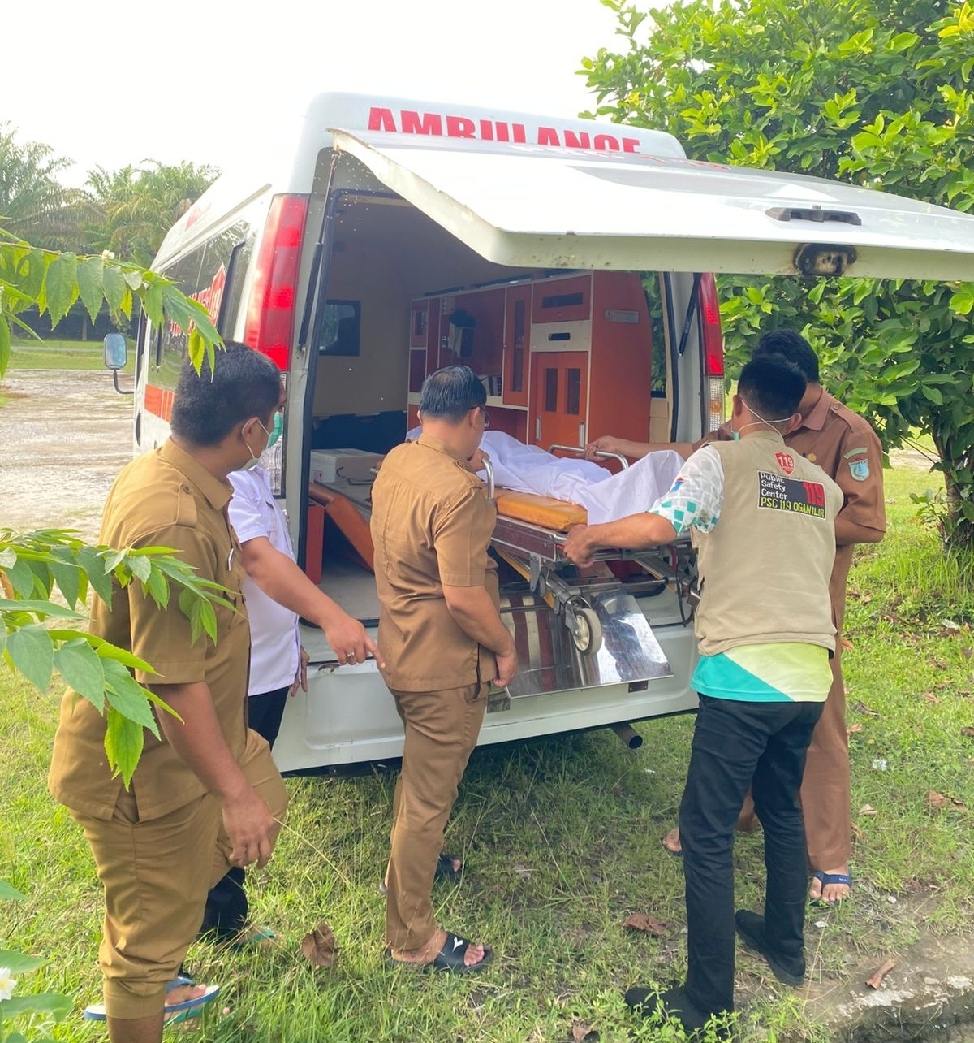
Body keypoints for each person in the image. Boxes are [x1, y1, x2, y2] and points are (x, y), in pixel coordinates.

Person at [566, 354, 842, 1035]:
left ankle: (707, 999)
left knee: (708, 832)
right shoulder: (820, 485)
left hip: (745, 672)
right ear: (795, 411)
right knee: (781, 809)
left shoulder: (720, 463)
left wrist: (591, 534)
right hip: (810, 672)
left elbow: (663, 526)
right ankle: (784, 944)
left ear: (740, 406)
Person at [587, 329, 886, 903]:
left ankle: (830, 856)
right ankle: (731, 819)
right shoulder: (750, 437)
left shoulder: (848, 436)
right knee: (748, 718)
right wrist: (626, 444)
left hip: (807, 600)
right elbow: (701, 454)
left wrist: (783, 518)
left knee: (819, 725)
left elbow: (869, 523)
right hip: (745, 596)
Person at [48, 344, 289, 1043]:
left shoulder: (172, 476)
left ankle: (170, 909)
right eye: (268, 425)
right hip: (146, 771)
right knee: (140, 952)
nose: (268, 437)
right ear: (248, 431)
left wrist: (245, 788)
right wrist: (234, 795)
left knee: (265, 791)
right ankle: (155, 961)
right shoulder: (176, 519)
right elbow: (172, 683)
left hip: (192, 754)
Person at [200, 363, 380, 943]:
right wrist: (332, 616)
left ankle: (224, 912)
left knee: (247, 786)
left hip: (268, 665)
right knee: (220, 800)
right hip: (239, 680)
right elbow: (257, 560)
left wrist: (291, 643)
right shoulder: (220, 488)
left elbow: (271, 570)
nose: (279, 426)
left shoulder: (249, 477)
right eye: (274, 415)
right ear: (249, 425)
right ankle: (210, 917)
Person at [370, 365, 518, 973]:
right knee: (429, 800)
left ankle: (409, 871)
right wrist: (505, 646)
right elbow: (463, 597)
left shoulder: (399, 461)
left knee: (419, 786)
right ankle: (412, 937)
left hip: (401, 648)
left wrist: (469, 470)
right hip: (444, 667)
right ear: (476, 417)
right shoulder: (459, 495)